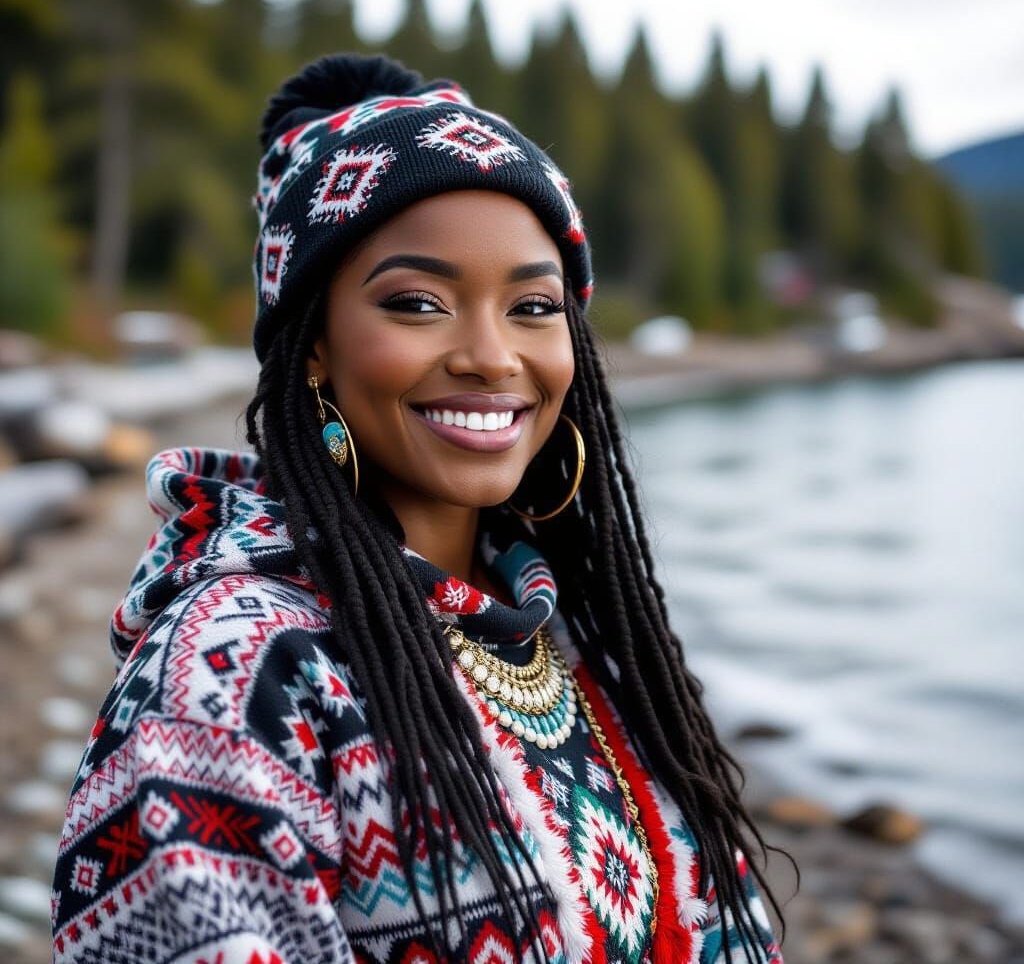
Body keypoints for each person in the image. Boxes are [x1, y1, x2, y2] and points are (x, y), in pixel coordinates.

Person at [51, 53, 792, 964]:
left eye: (532, 305)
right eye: (417, 302)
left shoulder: (581, 633)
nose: (491, 355)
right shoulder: (234, 672)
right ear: (313, 343)